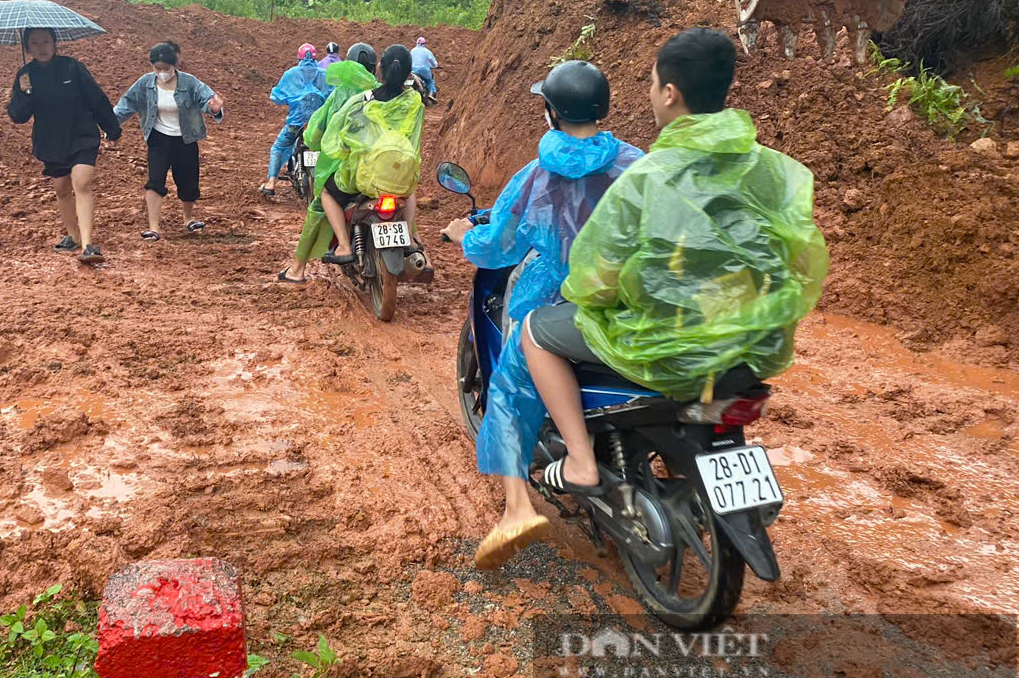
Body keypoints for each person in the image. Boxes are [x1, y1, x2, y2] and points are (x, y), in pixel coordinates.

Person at [521, 28, 828, 505]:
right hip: (750, 345)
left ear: (670, 92)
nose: (649, 93)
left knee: (536, 332)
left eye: (651, 82)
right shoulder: (774, 170)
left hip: (667, 346)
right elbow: (797, 258)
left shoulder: (647, 176)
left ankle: (580, 460)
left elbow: (593, 279)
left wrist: (603, 295)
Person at [440, 61, 643, 569]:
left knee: (510, 384)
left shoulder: (536, 176)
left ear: (550, 112)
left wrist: (464, 235)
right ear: (605, 107)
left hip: (556, 298)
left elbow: (499, 245)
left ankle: (517, 509)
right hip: (630, 301)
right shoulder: (640, 165)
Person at [7, 27, 121, 265]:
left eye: (46, 41)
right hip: (51, 140)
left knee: (82, 182)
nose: (42, 47)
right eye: (35, 43)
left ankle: (89, 245)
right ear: (27, 48)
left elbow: (96, 97)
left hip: (82, 134)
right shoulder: (25, 75)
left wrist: (111, 128)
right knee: (61, 189)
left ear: (55, 43)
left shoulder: (72, 67)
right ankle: (74, 235)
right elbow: (18, 116)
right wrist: (25, 92)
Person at [277, 43, 378, 283]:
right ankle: (417, 248)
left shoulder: (340, 94)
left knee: (317, 208)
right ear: (374, 68)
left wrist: (314, 141)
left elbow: (315, 133)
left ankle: (298, 269)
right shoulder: (381, 92)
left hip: (344, 170)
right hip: (378, 169)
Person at [319, 44, 425, 265]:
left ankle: (344, 246)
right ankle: (412, 241)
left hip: (365, 176)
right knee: (409, 188)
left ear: (379, 69)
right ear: (408, 74)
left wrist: (345, 149)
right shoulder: (415, 102)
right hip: (399, 172)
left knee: (327, 194)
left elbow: (338, 132)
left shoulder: (363, 100)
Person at [113, 41, 224, 238]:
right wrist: (110, 123)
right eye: (158, 69)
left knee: (188, 181)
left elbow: (206, 99)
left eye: (166, 68)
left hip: (186, 139)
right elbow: (126, 104)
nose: (162, 72)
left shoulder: (189, 82)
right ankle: (153, 227)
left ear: (175, 65)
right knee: (155, 180)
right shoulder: (145, 83)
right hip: (158, 139)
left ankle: (188, 219)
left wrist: (214, 108)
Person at [260, 44, 329, 199]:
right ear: (316, 57)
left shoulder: (291, 74)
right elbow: (333, 95)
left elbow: (277, 96)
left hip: (296, 125)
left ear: (299, 58)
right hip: (320, 126)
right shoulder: (325, 74)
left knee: (278, 148)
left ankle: (271, 182)